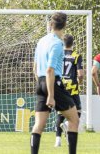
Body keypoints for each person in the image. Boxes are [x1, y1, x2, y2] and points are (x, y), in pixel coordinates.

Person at [30, 12, 79, 154]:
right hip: (53, 83)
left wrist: (42, 86)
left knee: (38, 125)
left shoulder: (41, 41)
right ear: (65, 25)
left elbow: (34, 67)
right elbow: (50, 70)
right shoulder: (58, 43)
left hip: (40, 82)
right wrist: (51, 94)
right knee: (74, 119)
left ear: (51, 24)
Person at [54, 34, 83, 147]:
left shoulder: (58, 55)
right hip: (72, 87)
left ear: (63, 43)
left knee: (60, 113)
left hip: (60, 86)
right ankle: (67, 124)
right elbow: (80, 74)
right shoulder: (76, 55)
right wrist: (80, 82)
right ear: (73, 43)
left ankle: (58, 140)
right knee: (78, 111)